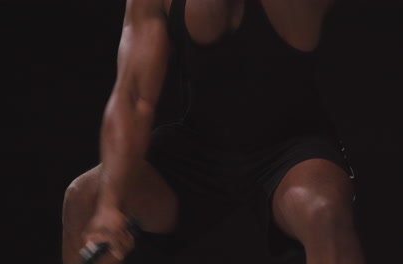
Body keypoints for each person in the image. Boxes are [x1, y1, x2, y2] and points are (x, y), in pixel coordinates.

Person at [62, 0, 366, 263]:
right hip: (198, 147)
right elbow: (133, 96)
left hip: (291, 148)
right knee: (84, 198)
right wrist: (109, 205)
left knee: (324, 214)